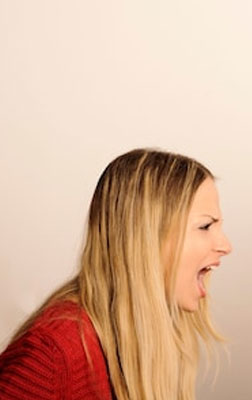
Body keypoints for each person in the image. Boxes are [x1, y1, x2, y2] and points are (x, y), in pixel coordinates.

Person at [0, 149, 232, 400]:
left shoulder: (143, 336)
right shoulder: (53, 353)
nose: (225, 246)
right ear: (146, 236)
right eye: (205, 226)